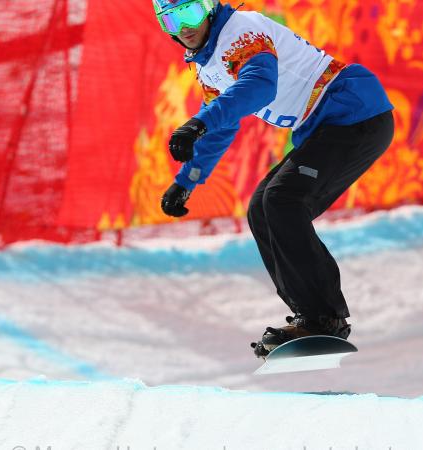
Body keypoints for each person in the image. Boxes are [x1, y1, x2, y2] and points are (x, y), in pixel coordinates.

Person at [154, 0, 395, 357]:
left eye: (189, 13)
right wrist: (186, 181)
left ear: (207, 8)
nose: (183, 27)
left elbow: (260, 86)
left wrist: (200, 122)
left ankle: (324, 318)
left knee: (283, 200)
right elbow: (221, 126)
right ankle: (308, 315)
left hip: (354, 115)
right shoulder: (209, 63)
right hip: (327, 127)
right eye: (170, 20)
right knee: (262, 209)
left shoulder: (241, 31)